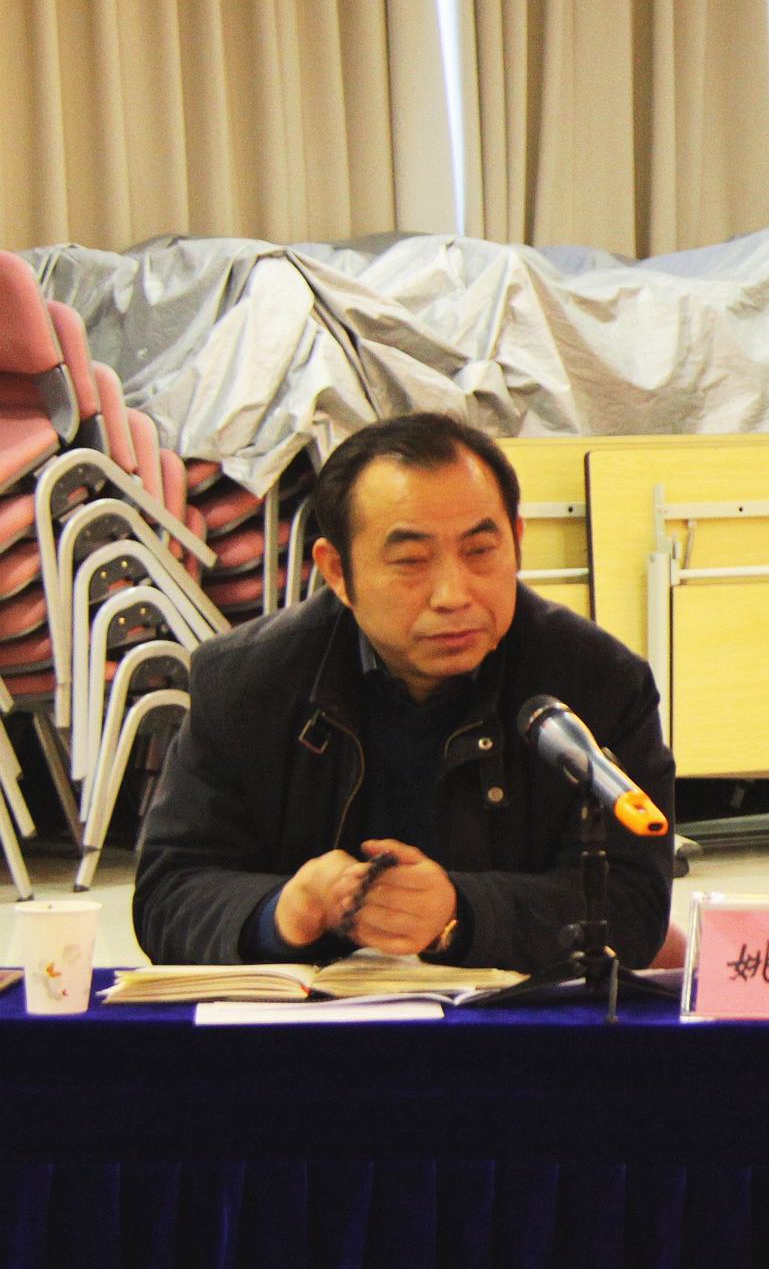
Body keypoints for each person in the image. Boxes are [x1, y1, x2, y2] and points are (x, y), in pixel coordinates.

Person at [134, 413, 675, 974]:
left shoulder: (596, 681)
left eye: (480, 551)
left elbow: (632, 906)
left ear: (516, 541)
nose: (452, 594)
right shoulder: (246, 683)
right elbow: (169, 894)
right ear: (337, 571)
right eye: (411, 561)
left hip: (513, 1019)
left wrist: (461, 913)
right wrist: (284, 912)